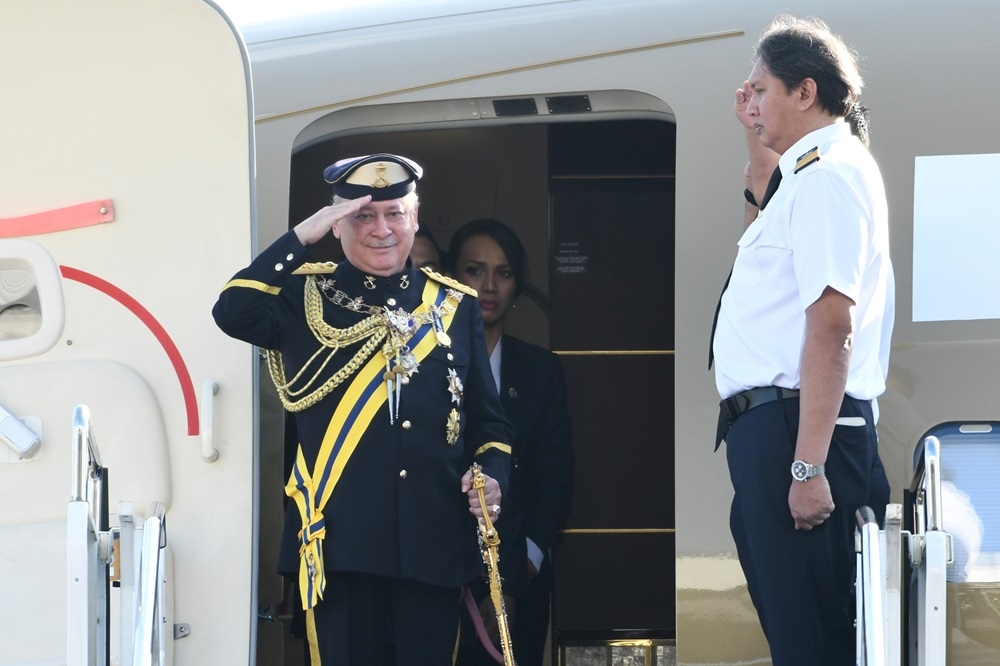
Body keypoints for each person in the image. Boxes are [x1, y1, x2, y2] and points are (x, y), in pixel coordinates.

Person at [212, 153, 513, 666]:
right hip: (341, 550)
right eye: (362, 216)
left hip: (433, 546)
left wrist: (491, 475)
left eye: (394, 213)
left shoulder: (453, 307)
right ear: (336, 225)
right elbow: (232, 311)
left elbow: (489, 424)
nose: (381, 229)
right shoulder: (302, 296)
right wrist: (300, 237)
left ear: (415, 219)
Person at [712, 16, 895, 665]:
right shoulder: (807, 173)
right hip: (776, 431)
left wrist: (806, 466)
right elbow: (765, 210)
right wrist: (757, 136)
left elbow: (831, 324)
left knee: (813, 644)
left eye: (762, 90)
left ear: (805, 91)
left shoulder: (829, 174)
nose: (751, 101)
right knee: (798, 639)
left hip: (799, 431)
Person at [448, 219, 573, 666]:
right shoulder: (424, 363)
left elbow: (554, 473)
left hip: (521, 566)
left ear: (517, 285)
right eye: (474, 270)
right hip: (438, 571)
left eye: (503, 273)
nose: (488, 285)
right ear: (451, 278)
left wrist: (525, 565)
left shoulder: (540, 371)